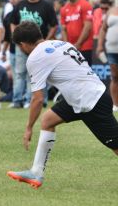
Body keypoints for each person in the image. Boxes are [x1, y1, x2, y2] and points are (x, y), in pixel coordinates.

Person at [7, 21, 118, 189]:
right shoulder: (60, 43)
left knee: (116, 146)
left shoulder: (35, 56)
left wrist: (28, 127)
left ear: (23, 45)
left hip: (90, 101)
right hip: (83, 96)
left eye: (20, 47)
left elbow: (37, 99)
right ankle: (36, 173)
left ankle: (36, 172)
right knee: (48, 120)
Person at [11, 0, 58, 108]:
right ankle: (16, 101)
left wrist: (45, 41)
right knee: (20, 73)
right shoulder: (20, 5)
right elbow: (13, 23)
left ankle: (31, 100)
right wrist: (17, 41)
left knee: (37, 74)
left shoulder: (46, 5)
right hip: (21, 46)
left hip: (39, 47)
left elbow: (54, 25)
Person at [60, 0, 94, 64]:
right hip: (70, 48)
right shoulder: (64, 9)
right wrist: (67, 45)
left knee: (86, 73)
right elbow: (63, 29)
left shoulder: (85, 5)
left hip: (84, 47)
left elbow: (87, 27)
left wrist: (78, 44)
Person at [3, 0, 23, 108]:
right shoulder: (8, 16)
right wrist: (3, 50)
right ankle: (17, 99)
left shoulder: (25, 11)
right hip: (13, 49)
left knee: (24, 75)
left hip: (26, 48)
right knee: (16, 76)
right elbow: (7, 35)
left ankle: (26, 99)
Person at [97, 4, 118, 112]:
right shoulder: (111, 11)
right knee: (114, 77)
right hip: (112, 50)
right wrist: (100, 45)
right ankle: (115, 104)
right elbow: (103, 29)